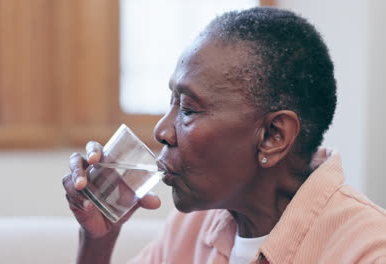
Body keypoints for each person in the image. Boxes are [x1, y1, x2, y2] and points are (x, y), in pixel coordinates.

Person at [63, 7, 386, 264]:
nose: (162, 130)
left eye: (189, 109)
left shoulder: (368, 252)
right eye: (172, 102)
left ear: (273, 136)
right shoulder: (193, 227)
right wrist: (98, 241)